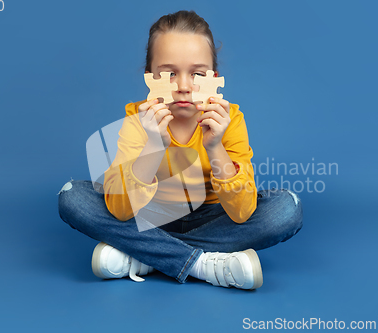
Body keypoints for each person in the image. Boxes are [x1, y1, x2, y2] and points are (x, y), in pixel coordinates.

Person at [57, 10, 303, 290]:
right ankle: (204, 265)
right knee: (72, 196)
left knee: (286, 208)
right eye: (169, 74)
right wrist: (153, 146)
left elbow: (242, 213)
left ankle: (145, 255)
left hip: (213, 218)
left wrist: (215, 147)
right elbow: (121, 210)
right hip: (152, 218)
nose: (184, 86)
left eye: (197, 74)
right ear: (150, 78)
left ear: (214, 77)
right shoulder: (139, 119)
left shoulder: (230, 119)